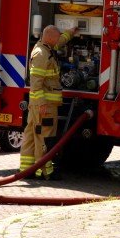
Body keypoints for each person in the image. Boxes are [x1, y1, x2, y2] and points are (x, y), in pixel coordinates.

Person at [20, 25, 77, 180]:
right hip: (44, 105)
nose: (59, 40)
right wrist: (42, 103)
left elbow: (60, 41)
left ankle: (27, 170)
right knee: (44, 137)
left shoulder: (46, 48)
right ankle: (45, 171)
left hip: (38, 104)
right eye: (57, 37)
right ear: (50, 37)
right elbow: (36, 83)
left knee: (31, 135)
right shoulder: (41, 54)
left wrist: (70, 33)